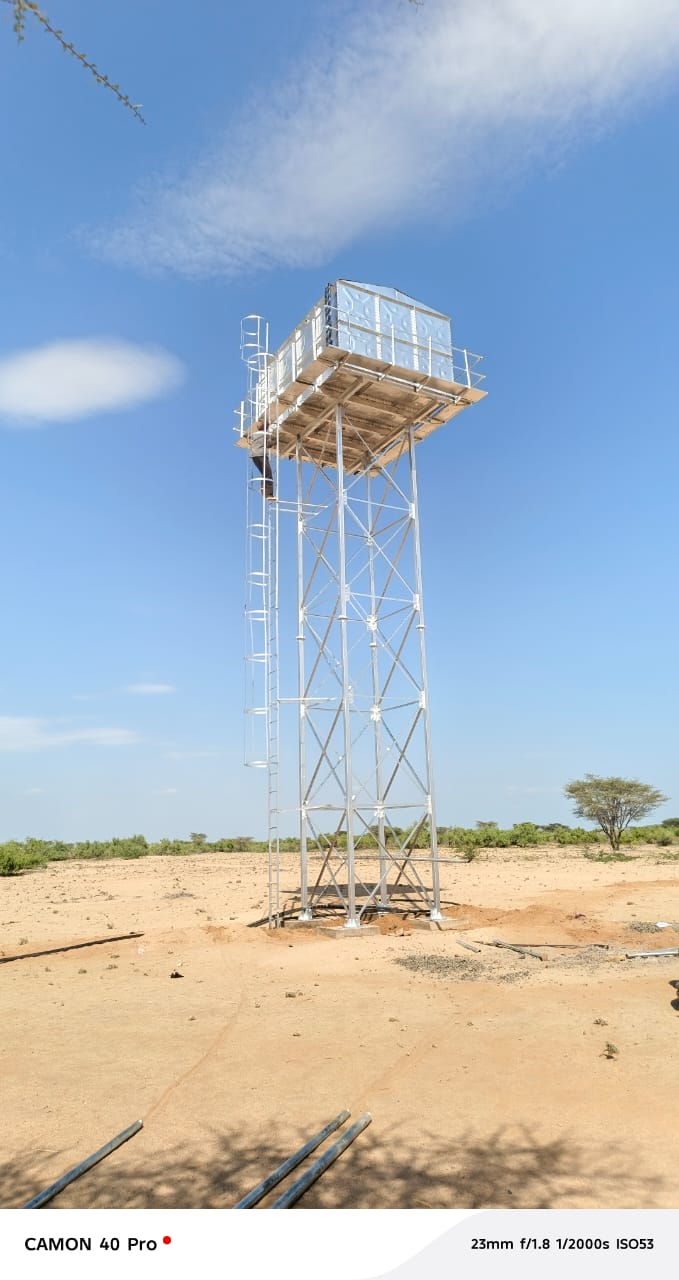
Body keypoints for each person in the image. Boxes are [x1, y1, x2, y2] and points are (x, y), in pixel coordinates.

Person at [248, 427, 275, 499]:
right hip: (261, 455)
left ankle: (263, 489)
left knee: (265, 473)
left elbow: (249, 440)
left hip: (253, 455)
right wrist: (274, 441)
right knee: (268, 473)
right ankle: (269, 494)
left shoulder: (254, 434)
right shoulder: (267, 434)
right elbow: (269, 444)